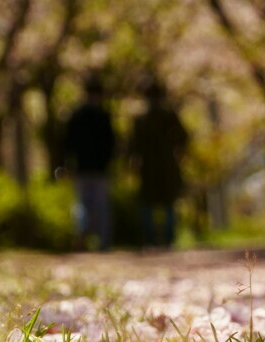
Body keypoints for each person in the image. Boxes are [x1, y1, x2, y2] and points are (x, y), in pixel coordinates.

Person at [128, 81, 189, 249]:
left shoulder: (143, 119)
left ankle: (152, 240)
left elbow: (132, 146)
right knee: (165, 204)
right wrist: (178, 152)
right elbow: (183, 137)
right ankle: (166, 240)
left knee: (150, 204)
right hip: (164, 166)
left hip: (150, 167)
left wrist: (131, 162)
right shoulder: (166, 115)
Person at [64, 77, 116, 251]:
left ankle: (83, 238)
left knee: (83, 205)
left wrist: (68, 163)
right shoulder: (103, 115)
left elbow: (68, 142)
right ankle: (101, 241)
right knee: (99, 205)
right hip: (96, 168)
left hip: (83, 167)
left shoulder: (77, 115)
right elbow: (111, 144)